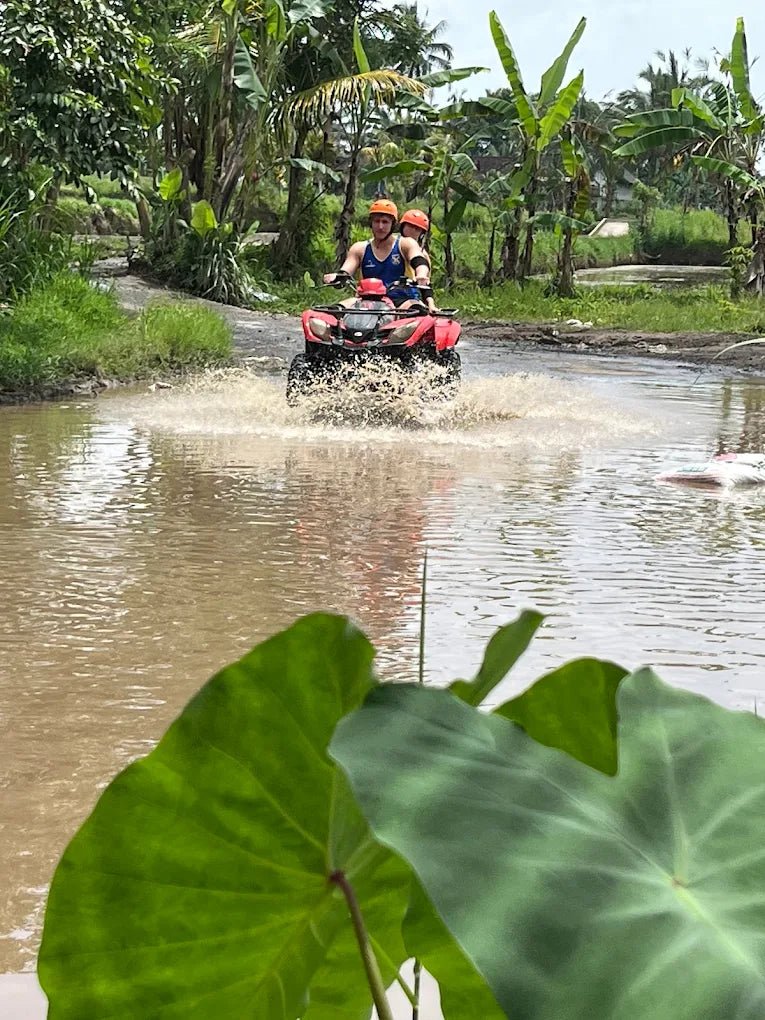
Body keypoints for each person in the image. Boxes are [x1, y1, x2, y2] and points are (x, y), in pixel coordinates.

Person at [323, 199, 435, 311]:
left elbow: (419, 261)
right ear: (370, 223)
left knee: (417, 312)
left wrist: (421, 274)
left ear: (393, 225)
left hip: (402, 300)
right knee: (333, 312)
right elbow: (346, 271)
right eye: (376, 221)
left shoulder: (405, 244)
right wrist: (337, 277)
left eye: (385, 222)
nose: (380, 226)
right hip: (368, 300)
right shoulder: (359, 248)